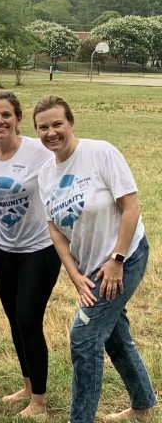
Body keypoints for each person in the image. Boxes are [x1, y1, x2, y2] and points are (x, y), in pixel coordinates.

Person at [34, 96, 157, 423]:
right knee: (114, 334)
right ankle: (143, 404)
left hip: (125, 258)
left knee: (84, 336)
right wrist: (74, 275)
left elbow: (131, 207)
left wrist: (117, 259)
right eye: (43, 127)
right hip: (89, 269)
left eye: (57, 123)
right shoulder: (45, 174)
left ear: (71, 123)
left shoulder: (100, 152)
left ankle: (81, 419)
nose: (51, 132)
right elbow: (55, 230)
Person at [0, 90, 61, 419]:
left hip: (39, 248)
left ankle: (39, 402)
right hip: (4, 248)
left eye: (6, 115)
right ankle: (28, 385)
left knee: (29, 320)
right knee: (15, 321)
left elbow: (69, 158)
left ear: (17, 117)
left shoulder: (38, 150)